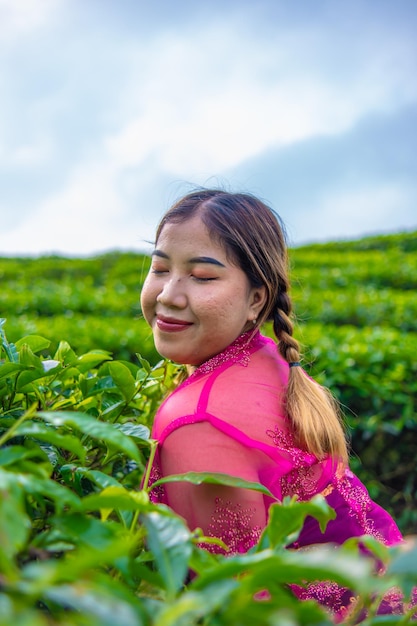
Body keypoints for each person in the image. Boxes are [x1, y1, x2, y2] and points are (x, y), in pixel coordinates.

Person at [140, 188, 409, 619]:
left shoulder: (197, 423)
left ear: (256, 300)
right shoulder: (267, 358)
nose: (169, 295)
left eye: (203, 277)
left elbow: (241, 603)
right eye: (159, 268)